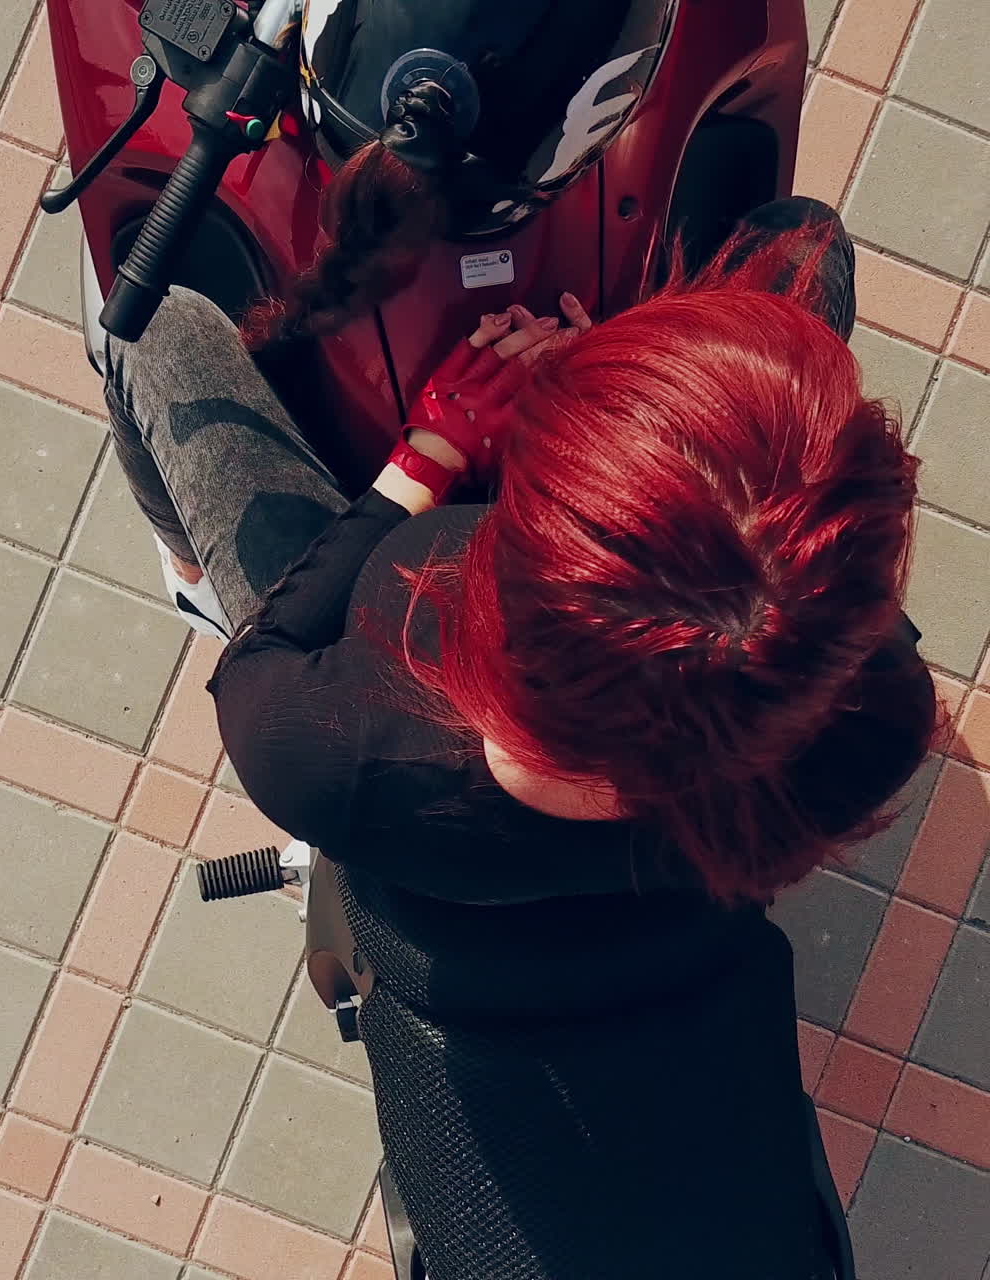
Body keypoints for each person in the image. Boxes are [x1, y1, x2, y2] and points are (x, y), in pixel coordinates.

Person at [99, 14, 934, 1279]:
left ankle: (182, 560)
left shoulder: (335, 743)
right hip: (676, 992)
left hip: (395, 605)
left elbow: (269, 649)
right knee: (792, 243)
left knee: (151, 340)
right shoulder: (858, 725)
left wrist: (424, 460)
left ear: (506, 569)